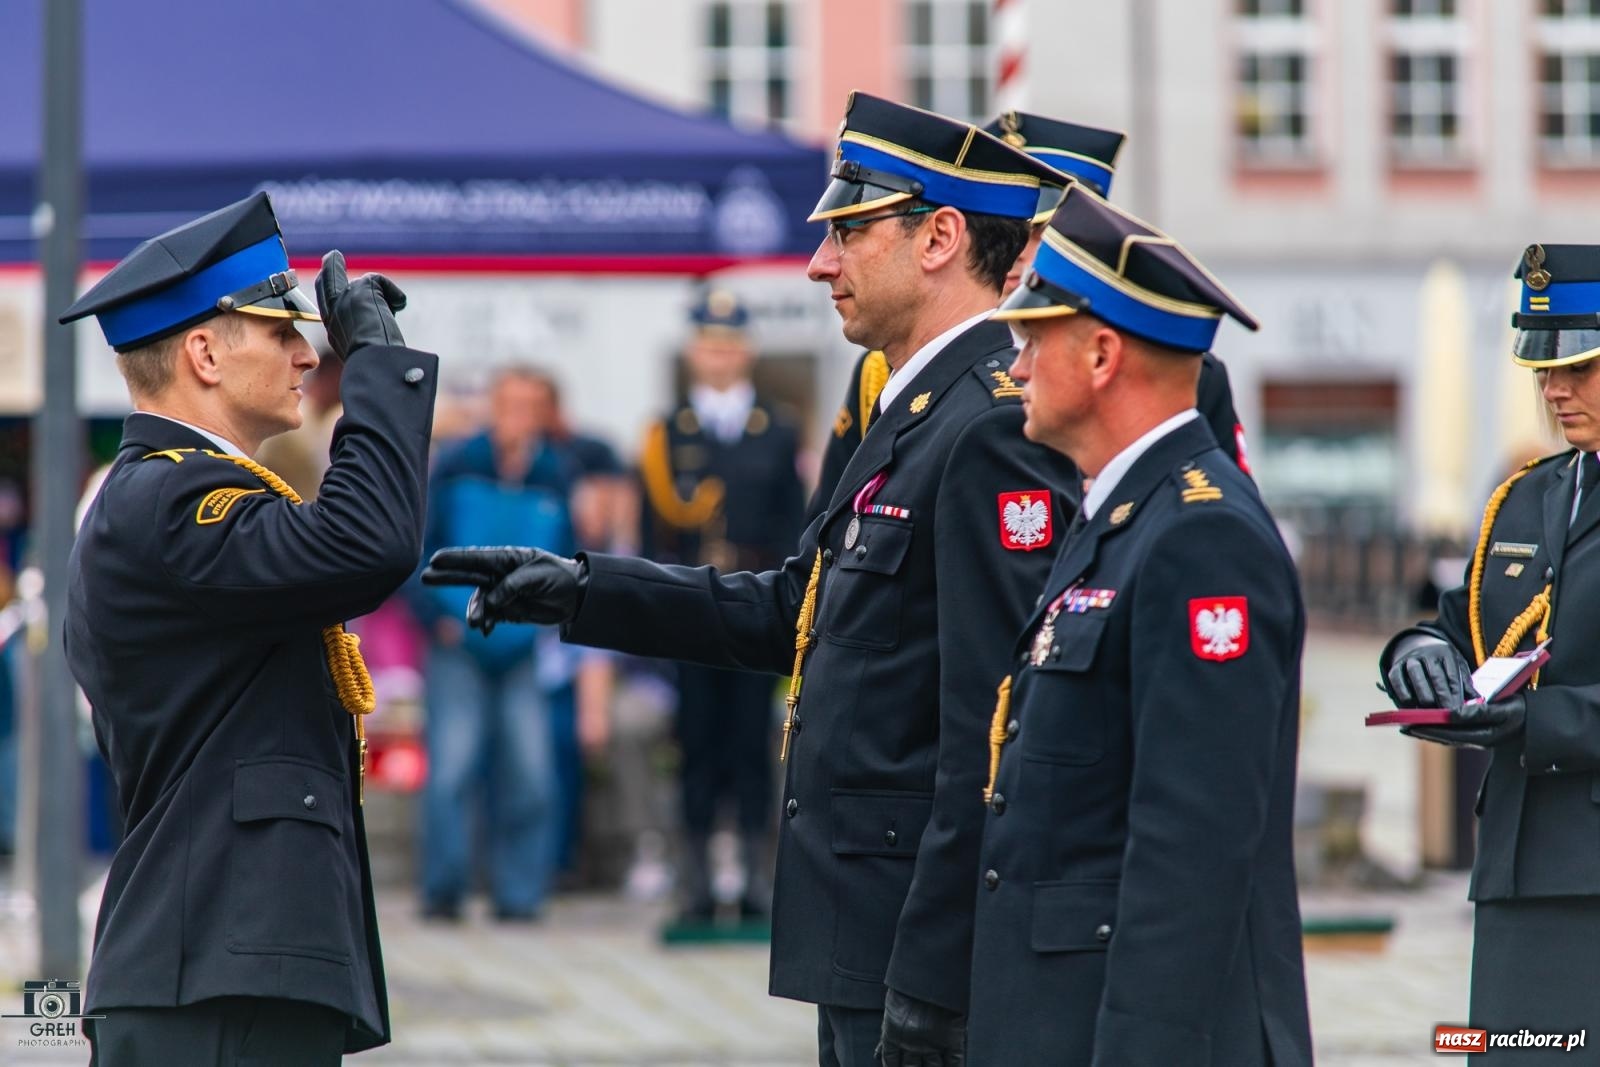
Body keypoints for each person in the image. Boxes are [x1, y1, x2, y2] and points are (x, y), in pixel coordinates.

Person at [424, 92, 1073, 1065]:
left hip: (918, 939)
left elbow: (994, 734)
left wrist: (935, 972)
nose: (820, 262)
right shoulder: (911, 413)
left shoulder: (983, 426)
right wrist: (579, 587)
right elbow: (793, 610)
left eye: (850, 231)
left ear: (939, 237)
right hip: (863, 927)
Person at [60, 192, 435, 1064]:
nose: (310, 355)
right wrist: (381, 367)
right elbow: (361, 547)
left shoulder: (168, 493)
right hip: (219, 972)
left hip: (226, 963)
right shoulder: (170, 496)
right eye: (282, 333)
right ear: (203, 352)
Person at [970, 185, 1312, 1064]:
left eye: (1030, 339)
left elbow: (1191, 849)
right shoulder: (1126, 512)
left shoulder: (1201, 536)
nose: (1013, 369)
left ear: (1101, 355)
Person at [1379, 244, 1600, 1062]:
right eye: (1545, 366)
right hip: (1511, 864)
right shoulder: (1527, 494)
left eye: (1579, 364)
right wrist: (1418, 653)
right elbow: (1462, 620)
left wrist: (1534, 720)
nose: (1554, 388)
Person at [636, 289, 804, 924]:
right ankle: (697, 882)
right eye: (709, 345)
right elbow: (655, 538)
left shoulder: (778, 426)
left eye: (730, 345)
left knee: (752, 748)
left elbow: (795, 522)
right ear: (692, 351)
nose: (720, 357)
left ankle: (759, 881)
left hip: (757, 602)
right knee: (697, 746)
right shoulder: (667, 431)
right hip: (694, 605)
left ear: (749, 351)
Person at [986, 109, 1252, 473]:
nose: (1013, 253)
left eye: (1037, 233)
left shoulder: (1180, 365)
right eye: (1000, 234)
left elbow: (1215, 502)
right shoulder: (956, 360)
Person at [404, 365, 574, 922]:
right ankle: (444, 891)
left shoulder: (556, 474)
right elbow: (413, 549)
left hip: (522, 648)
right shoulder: (456, 464)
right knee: (451, 770)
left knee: (531, 773)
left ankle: (520, 897)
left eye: (531, 405)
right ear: (492, 405)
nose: (518, 416)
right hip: (456, 642)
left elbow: (572, 562)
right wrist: (437, 618)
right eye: (509, 402)